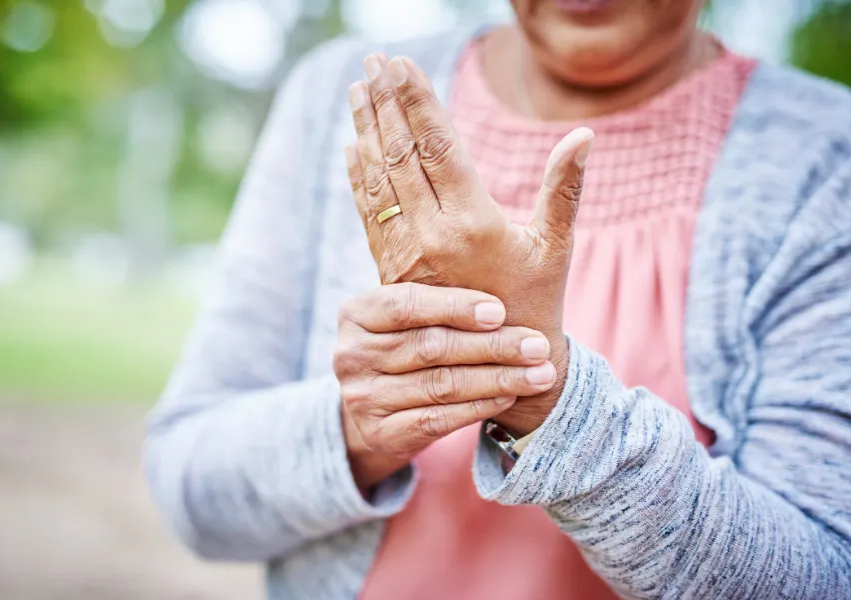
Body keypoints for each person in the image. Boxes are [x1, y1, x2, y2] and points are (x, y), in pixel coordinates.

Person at [144, 0, 851, 598]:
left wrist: (549, 400)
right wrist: (355, 429)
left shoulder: (823, 153)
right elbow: (191, 489)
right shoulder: (340, 98)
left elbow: (824, 573)